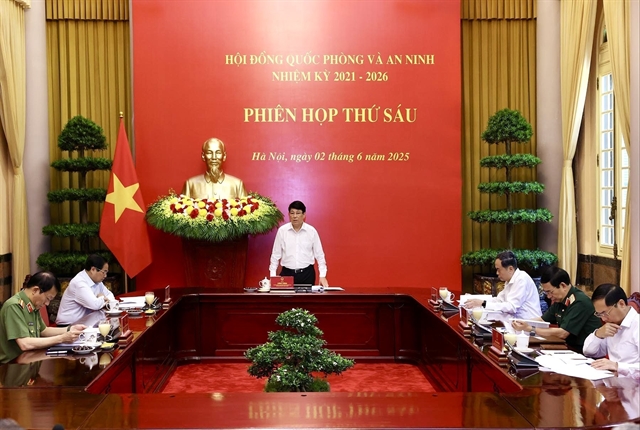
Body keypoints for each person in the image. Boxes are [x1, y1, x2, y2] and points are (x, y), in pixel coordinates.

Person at [512, 266, 601, 353]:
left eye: (550, 292)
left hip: (583, 352)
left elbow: (562, 333)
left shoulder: (579, 302)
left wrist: (530, 329)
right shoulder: (559, 299)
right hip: (567, 347)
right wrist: (522, 322)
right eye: (546, 293)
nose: (548, 296)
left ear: (563, 286)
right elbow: (542, 319)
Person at [0, 272, 84, 363]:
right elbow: (24, 344)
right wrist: (62, 338)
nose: (47, 304)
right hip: (12, 365)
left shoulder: (32, 305)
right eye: (48, 298)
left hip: (31, 359)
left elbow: (44, 331)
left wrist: (70, 329)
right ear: (35, 290)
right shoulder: (14, 306)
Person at [463, 250, 541, 320]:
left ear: (510, 269)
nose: (497, 273)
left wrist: (483, 303)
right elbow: (499, 300)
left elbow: (512, 307)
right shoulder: (509, 280)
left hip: (530, 324)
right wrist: (475, 299)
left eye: (498, 269)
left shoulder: (521, 279)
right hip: (517, 323)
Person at [583, 284, 640, 378]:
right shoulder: (611, 325)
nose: (603, 319)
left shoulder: (637, 325)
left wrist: (617, 366)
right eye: (599, 314)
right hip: (613, 380)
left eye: (605, 313)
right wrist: (598, 334)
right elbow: (589, 352)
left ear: (621, 304)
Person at [269, 201, 329, 287]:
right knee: (285, 296)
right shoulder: (282, 231)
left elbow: (319, 255)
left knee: (306, 296)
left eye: (298, 213)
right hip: (287, 274)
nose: (295, 216)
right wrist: (272, 275)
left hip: (307, 274)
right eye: (292, 213)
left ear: (304, 215)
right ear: (289, 214)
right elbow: (275, 255)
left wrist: (322, 275)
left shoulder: (311, 231)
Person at [56, 254, 115, 326]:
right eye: (104, 272)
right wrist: (102, 297)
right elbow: (95, 305)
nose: (105, 275)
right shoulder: (79, 283)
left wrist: (102, 298)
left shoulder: (97, 281)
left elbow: (111, 296)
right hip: (67, 326)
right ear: (93, 269)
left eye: (106, 272)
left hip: (84, 322)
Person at [182, 137, 247, 200]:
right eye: (209, 153)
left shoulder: (237, 185)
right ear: (203, 156)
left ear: (224, 156)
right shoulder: (190, 184)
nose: (214, 157)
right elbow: (182, 205)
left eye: (218, 153)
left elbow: (246, 206)